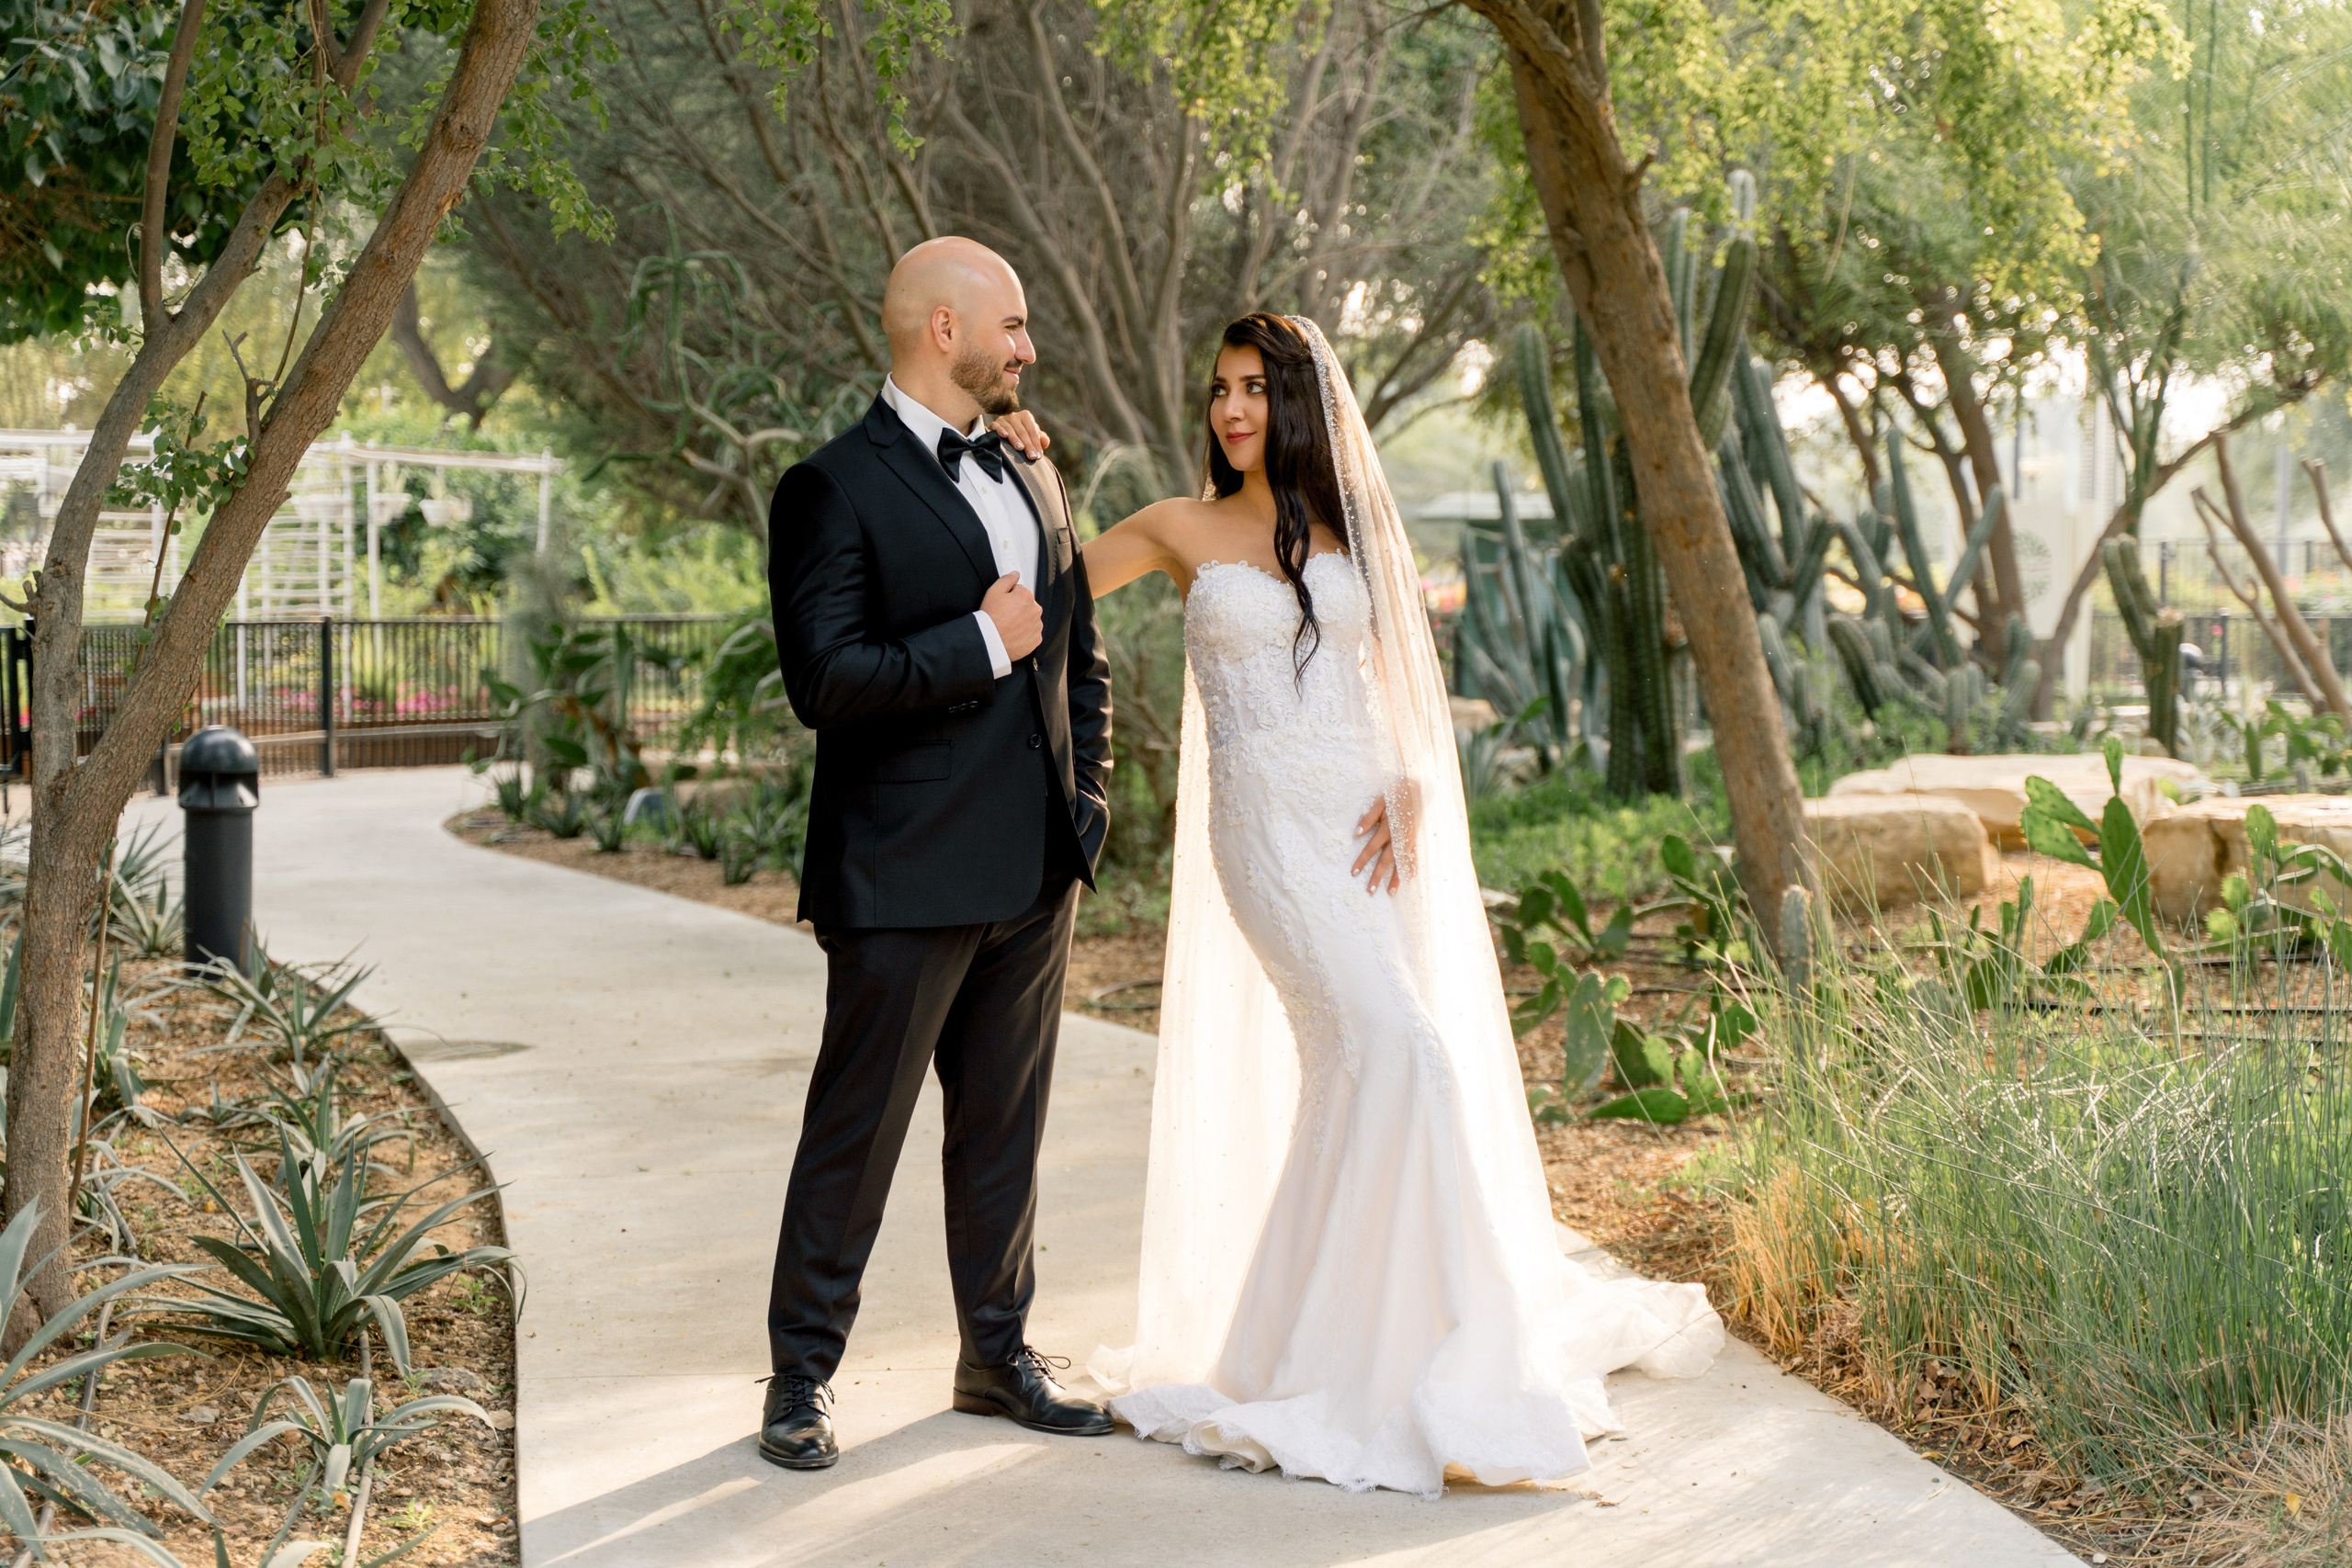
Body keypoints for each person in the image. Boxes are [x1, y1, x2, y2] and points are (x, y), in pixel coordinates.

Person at [989, 312, 1722, 1498]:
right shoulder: (1181, 529)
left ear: (1298, 404)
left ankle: (1337, 1340)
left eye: (1253, 389)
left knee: (1364, 1068)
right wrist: (1017, 455)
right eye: (1219, 390)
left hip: (1364, 833)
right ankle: (1391, 1355)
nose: (1231, 410)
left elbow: (1400, 688)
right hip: (1267, 837)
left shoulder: (1348, 531)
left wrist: (1415, 784)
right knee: (1402, 1050)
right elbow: (1049, 591)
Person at [757, 237, 1114, 1471]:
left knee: (1006, 1131)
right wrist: (974, 640)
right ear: (942, 332)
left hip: (1033, 871)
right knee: (857, 1136)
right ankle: (800, 1378)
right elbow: (824, 680)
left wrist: (1091, 804)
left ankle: (997, 1358)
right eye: (1012, 325)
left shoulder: (1033, 472)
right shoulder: (830, 486)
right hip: (902, 874)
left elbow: (1077, 650)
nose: (1028, 347)